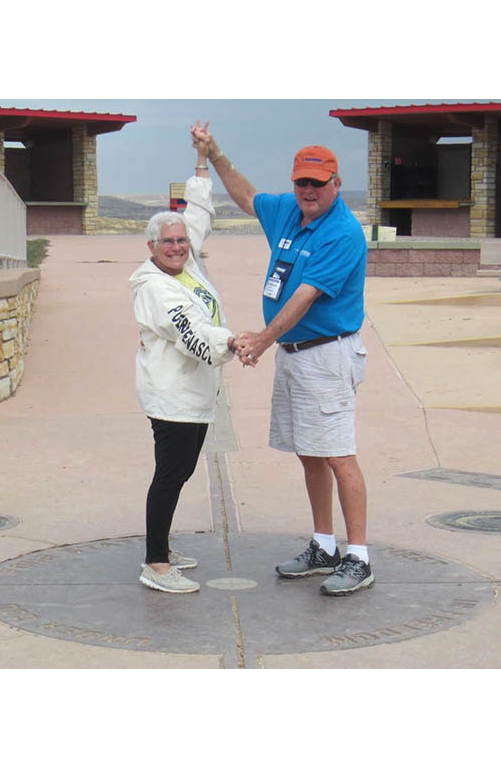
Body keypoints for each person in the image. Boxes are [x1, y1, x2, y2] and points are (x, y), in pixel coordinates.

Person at [192, 124, 373, 596]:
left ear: (336, 183)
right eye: (302, 182)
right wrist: (215, 154)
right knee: (309, 452)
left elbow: (306, 296)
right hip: (297, 354)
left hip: (328, 356)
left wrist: (264, 339)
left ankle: (358, 557)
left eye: (318, 182)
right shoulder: (291, 213)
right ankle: (323, 545)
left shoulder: (343, 233)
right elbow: (248, 197)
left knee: (338, 454)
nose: (309, 191)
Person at [129, 121, 243, 594]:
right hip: (172, 396)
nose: (178, 247)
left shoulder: (187, 263)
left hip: (194, 392)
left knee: (179, 472)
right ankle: (155, 563)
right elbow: (193, 337)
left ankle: (163, 547)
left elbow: (197, 212)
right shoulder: (156, 288)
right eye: (168, 243)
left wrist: (202, 158)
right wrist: (235, 344)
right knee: (171, 475)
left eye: (181, 241)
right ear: (151, 248)